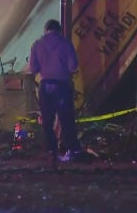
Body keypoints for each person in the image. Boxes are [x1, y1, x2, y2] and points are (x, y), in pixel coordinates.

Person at [28, 19, 82, 164]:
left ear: (46, 30)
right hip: (63, 86)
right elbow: (73, 67)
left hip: (45, 87)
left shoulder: (37, 44)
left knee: (47, 122)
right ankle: (73, 152)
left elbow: (32, 69)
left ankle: (52, 152)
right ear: (59, 30)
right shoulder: (66, 44)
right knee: (67, 121)